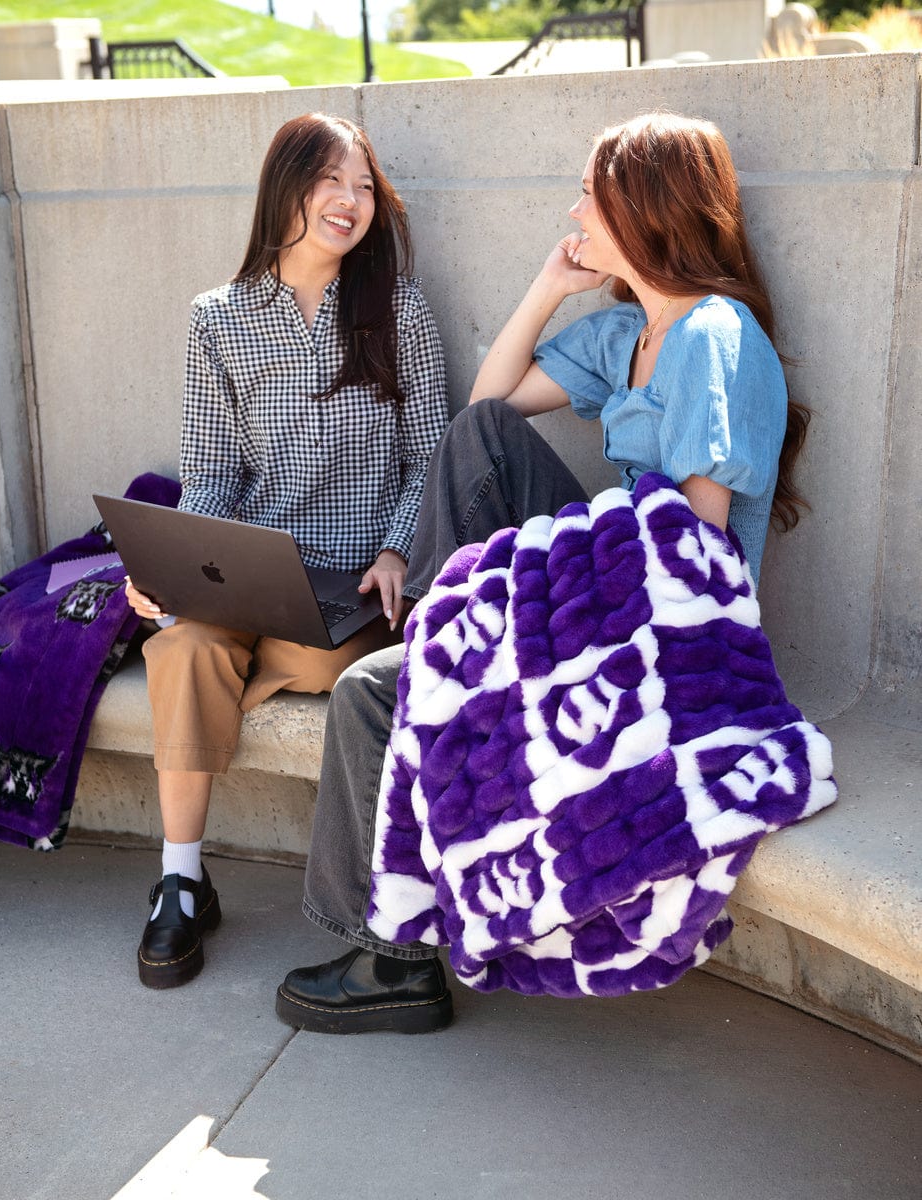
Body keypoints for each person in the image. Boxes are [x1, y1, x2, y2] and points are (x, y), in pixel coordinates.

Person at [274, 111, 810, 1034]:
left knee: (370, 693)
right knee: (478, 437)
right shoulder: (631, 332)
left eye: (589, 200)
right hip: (614, 586)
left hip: (664, 639)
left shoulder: (711, 337)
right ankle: (446, 652)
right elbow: (484, 413)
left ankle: (395, 963)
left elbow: (695, 554)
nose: (572, 211)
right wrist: (548, 286)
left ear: (641, 213)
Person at [125, 113, 448, 989]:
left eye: (364, 187)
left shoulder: (399, 313)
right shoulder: (218, 320)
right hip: (246, 574)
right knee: (182, 646)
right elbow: (211, 475)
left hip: (352, 587)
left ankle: (245, 661)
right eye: (329, 183)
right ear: (286, 190)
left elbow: (431, 458)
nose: (350, 202)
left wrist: (393, 551)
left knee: (310, 654)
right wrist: (170, 570)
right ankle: (182, 883)